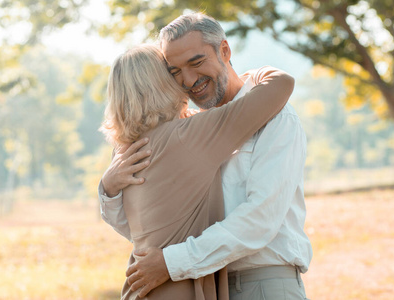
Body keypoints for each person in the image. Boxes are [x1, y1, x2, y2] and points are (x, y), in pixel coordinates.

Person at [100, 13, 312, 300]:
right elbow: (152, 227)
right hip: (206, 283)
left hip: (261, 282)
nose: (188, 80)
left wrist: (171, 263)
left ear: (224, 51)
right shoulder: (189, 130)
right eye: (174, 71)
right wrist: (109, 188)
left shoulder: (276, 118)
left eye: (196, 62)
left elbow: (261, 217)